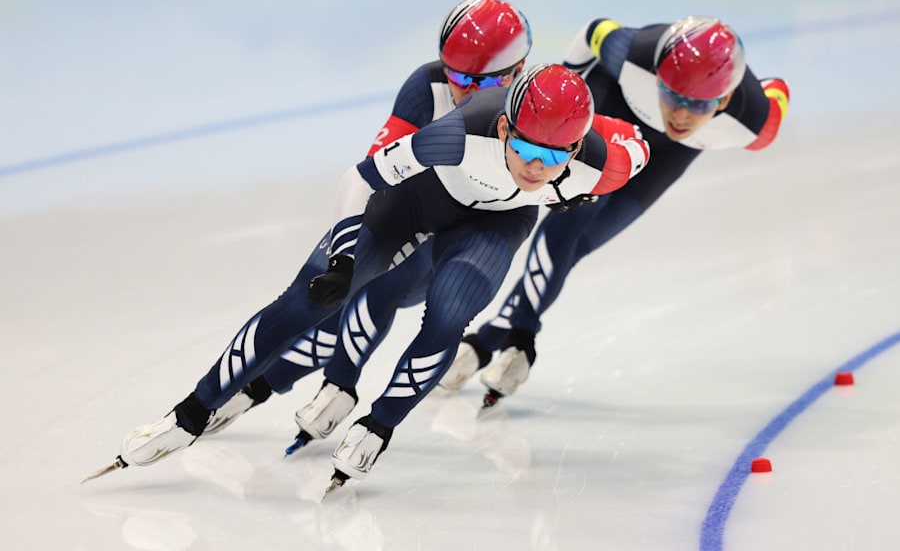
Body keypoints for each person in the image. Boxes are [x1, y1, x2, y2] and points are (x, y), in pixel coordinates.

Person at [100, 64, 650, 491]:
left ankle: (377, 427)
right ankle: (192, 411)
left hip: (495, 224)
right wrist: (341, 259)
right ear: (505, 127)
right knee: (307, 300)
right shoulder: (460, 134)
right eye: (527, 149)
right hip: (416, 204)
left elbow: (638, 144)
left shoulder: (595, 165)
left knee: (452, 310)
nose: (536, 167)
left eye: (555, 157)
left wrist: (582, 176)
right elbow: (359, 178)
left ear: (577, 148)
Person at [197, 0, 533, 436]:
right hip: (421, 214)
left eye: (481, 84)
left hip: (476, 232)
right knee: (351, 289)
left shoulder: (535, 113)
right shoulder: (426, 88)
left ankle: (319, 386)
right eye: (457, 76)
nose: (466, 92)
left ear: (519, 72)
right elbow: (375, 176)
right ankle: (270, 388)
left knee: (383, 290)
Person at [438, 15, 790, 407]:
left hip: (671, 153)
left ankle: (490, 338)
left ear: (724, 101)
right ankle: (519, 336)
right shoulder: (635, 53)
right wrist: (569, 103)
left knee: (582, 243)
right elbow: (593, 31)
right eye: (672, 94)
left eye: (698, 104)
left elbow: (777, 92)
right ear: (656, 76)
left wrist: (765, 90)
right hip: (614, 110)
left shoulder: (755, 123)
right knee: (566, 227)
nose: (680, 114)